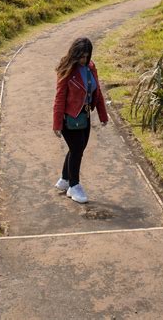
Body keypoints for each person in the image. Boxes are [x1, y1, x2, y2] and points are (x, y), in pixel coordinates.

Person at [52, 37, 108, 203]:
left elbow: (97, 93)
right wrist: (57, 123)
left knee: (77, 148)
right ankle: (74, 186)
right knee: (77, 150)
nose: (84, 59)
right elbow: (59, 98)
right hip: (69, 119)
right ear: (74, 54)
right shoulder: (67, 70)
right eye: (81, 56)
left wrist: (103, 114)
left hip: (85, 116)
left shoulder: (91, 67)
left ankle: (64, 179)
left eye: (86, 56)